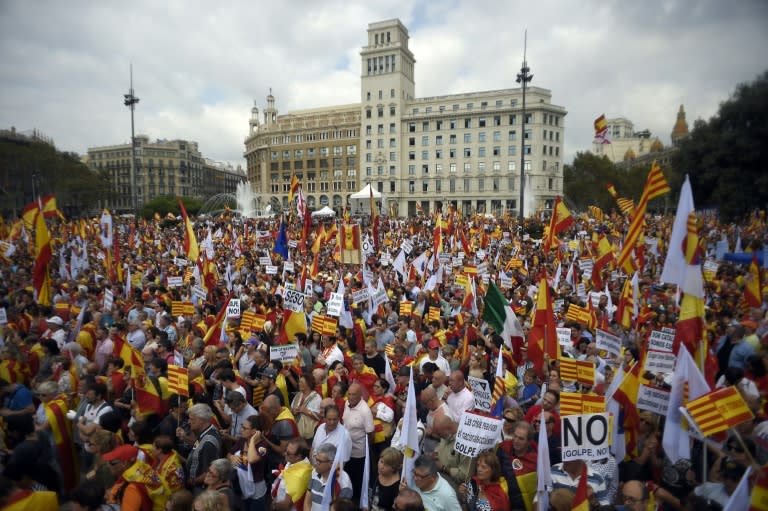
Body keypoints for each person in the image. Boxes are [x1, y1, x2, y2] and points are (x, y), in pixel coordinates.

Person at [104, 444, 168, 511]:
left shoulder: (131, 488)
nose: (108, 465)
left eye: (112, 462)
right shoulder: (142, 468)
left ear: (124, 463)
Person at [178, 403, 222, 495]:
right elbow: (198, 444)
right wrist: (184, 437)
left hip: (201, 488)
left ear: (201, 420)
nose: (189, 422)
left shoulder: (208, 444)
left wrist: (192, 482)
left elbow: (209, 471)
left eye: (191, 419)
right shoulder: (207, 431)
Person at [343, 382, 374, 501]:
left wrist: (366, 450)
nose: (350, 397)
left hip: (358, 453)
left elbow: (370, 433)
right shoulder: (347, 403)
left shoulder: (365, 411)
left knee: (357, 480)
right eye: (349, 394)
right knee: (346, 477)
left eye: (353, 395)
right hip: (346, 450)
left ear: (360, 395)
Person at [306, 443, 353, 511]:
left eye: (319, 461)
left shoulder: (343, 482)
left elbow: (340, 508)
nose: (315, 463)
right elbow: (307, 502)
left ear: (331, 463)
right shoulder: (314, 472)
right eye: (315, 459)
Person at [271, 438, 313, 511]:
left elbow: (286, 505)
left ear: (298, 457)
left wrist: (273, 506)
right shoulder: (294, 462)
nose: (285, 454)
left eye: (288, 453)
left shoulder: (298, 476)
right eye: (285, 450)